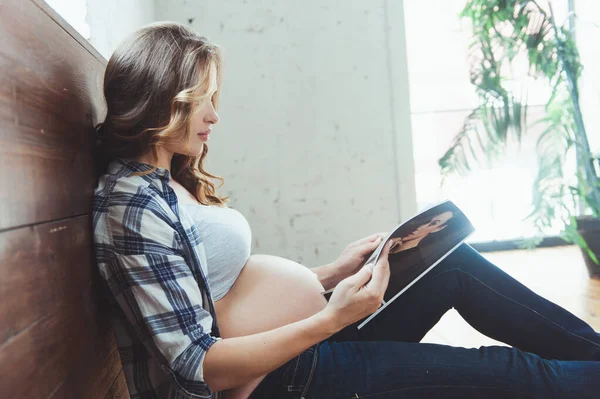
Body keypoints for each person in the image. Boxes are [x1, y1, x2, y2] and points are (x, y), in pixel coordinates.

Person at [92, 22, 600, 399]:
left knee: (454, 267)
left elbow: (216, 296)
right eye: (202, 99)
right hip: (280, 380)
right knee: (513, 374)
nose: (214, 114)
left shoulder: (164, 180)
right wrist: (330, 318)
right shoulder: (132, 207)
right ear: (164, 99)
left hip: (301, 347)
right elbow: (196, 365)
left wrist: (330, 276)